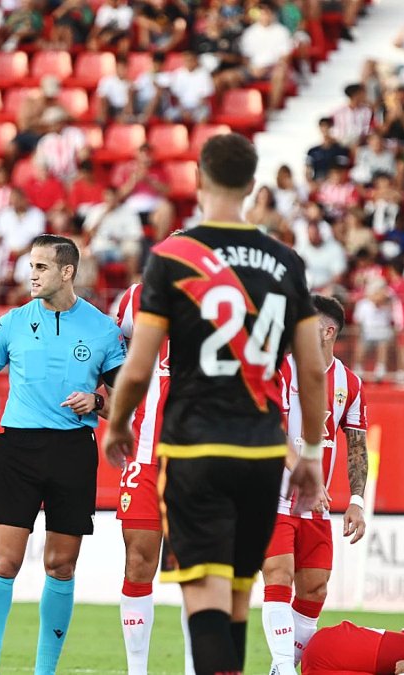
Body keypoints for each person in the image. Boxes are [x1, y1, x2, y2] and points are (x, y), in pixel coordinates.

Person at [103, 133, 328, 675]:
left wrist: (117, 422)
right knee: (237, 597)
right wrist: (311, 453)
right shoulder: (284, 263)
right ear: (252, 187)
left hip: (194, 449)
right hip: (261, 455)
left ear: (201, 182)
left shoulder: (173, 258)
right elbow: (312, 371)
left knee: (203, 594)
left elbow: (138, 366)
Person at [0, 234, 126, 675]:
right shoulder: (11, 323)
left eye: (41, 267)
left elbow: (127, 403)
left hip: (73, 451)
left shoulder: (102, 329)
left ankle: (45, 672)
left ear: (67, 271)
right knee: (3, 563)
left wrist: (97, 402)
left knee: (60, 566)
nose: (31, 275)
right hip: (15, 450)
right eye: (30, 266)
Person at [261, 295, 369, 675]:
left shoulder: (349, 384)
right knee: (279, 575)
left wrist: (356, 500)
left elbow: (356, 445)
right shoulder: (280, 370)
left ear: (328, 331)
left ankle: (282, 666)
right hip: (273, 498)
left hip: (315, 506)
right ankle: (282, 666)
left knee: (315, 589)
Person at [111, 283, 169, 675]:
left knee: (202, 574)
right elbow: (111, 349)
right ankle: (137, 671)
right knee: (137, 561)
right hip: (145, 456)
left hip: (202, 462)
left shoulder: (227, 297)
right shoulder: (138, 297)